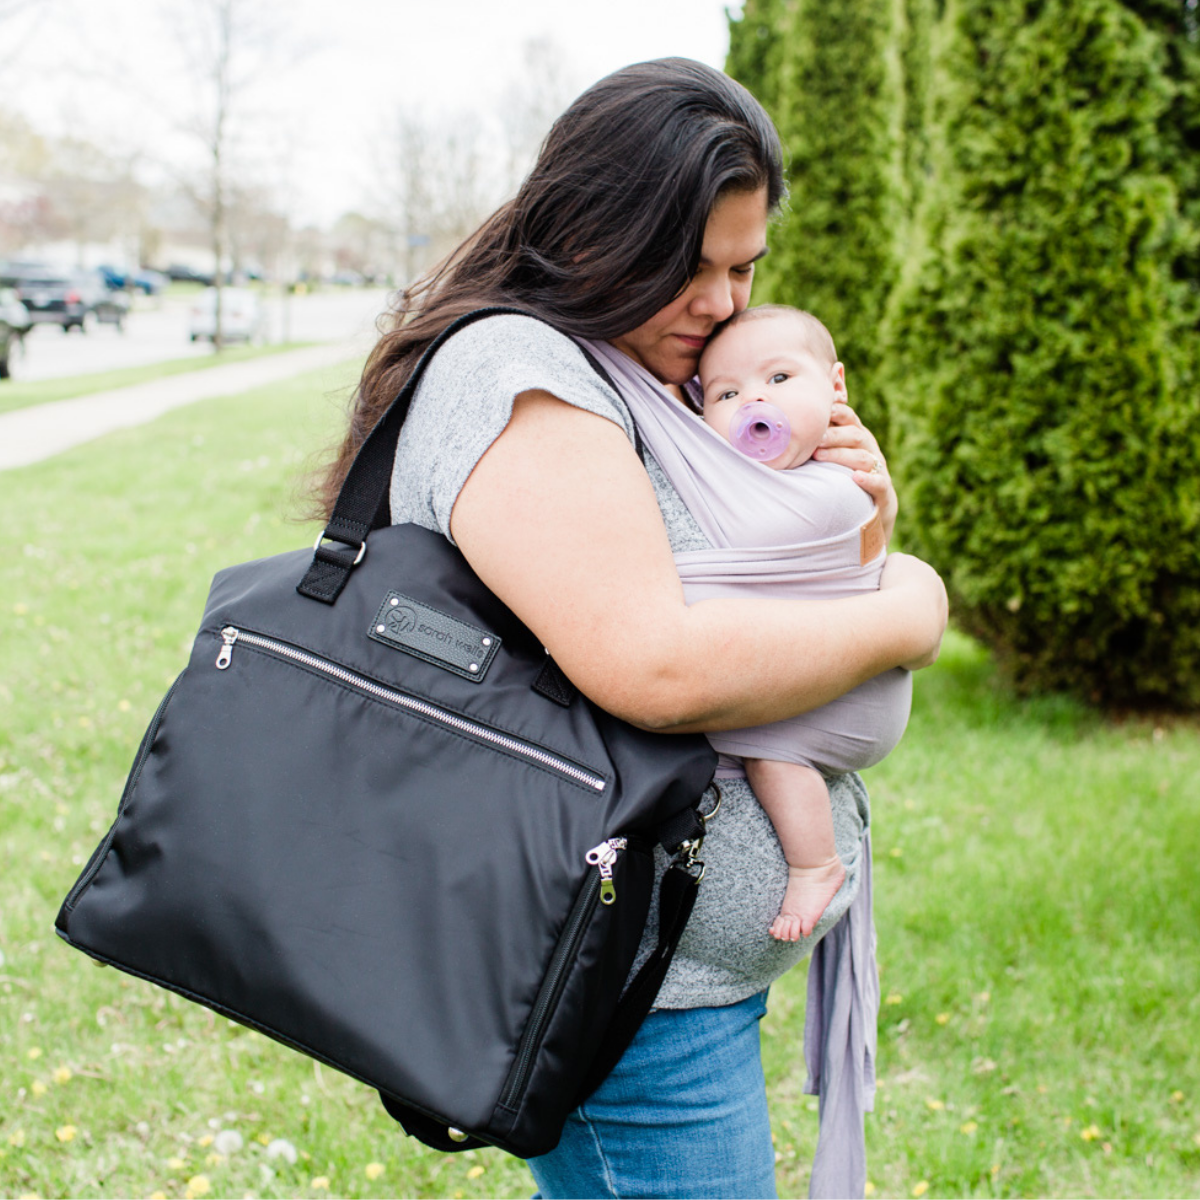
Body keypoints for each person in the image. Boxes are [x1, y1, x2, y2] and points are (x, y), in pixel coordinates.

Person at [318, 58, 946, 1200]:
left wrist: (869, 523)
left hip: (671, 981)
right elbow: (653, 664)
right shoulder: (523, 375)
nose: (721, 307)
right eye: (688, 268)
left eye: (743, 268)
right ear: (592, 233)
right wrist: (909, 606)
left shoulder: (627, 363)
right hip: (629, 1000)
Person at [681, 305, 913, 943]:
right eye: (727, 394)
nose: (755, 400)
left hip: (849, 695)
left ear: (835, 386)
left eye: (779, 380)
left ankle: (815, 863)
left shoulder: (834, 482)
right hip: (847, 669)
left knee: (766, 752)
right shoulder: (791, 477)